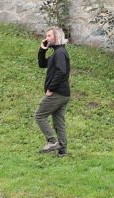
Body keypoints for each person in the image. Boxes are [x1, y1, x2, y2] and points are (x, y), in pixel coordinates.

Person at [35, 27, 71, 157]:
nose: (46, 38)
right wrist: (42, 50)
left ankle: (52, 141)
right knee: (58, 122)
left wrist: (51, 88)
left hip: (57, 93)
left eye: (49, 36)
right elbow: (42, 64)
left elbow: (61, 71)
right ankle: (62, 151)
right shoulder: (57, 52)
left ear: (56, 37)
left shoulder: (60, 53)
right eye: (46, 35)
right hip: (64, 94)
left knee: (39, 115)